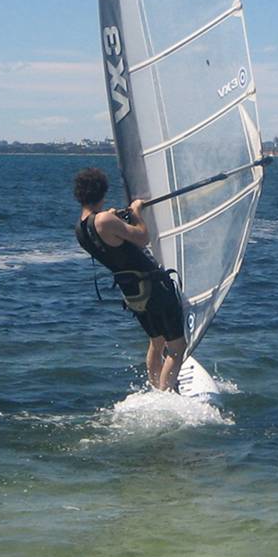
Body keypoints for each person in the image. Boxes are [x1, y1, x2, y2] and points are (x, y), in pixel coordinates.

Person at [73, 167, 187, 392]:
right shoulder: (104, 220)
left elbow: (109, 239)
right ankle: (166, 395)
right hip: (153, 287)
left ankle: (156, 388)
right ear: (102, 192)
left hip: (133, 293)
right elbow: (143, 238)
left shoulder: (81, 228)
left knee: (156, 341)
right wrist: (136, 214)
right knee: (176, 346)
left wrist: (115, 218)